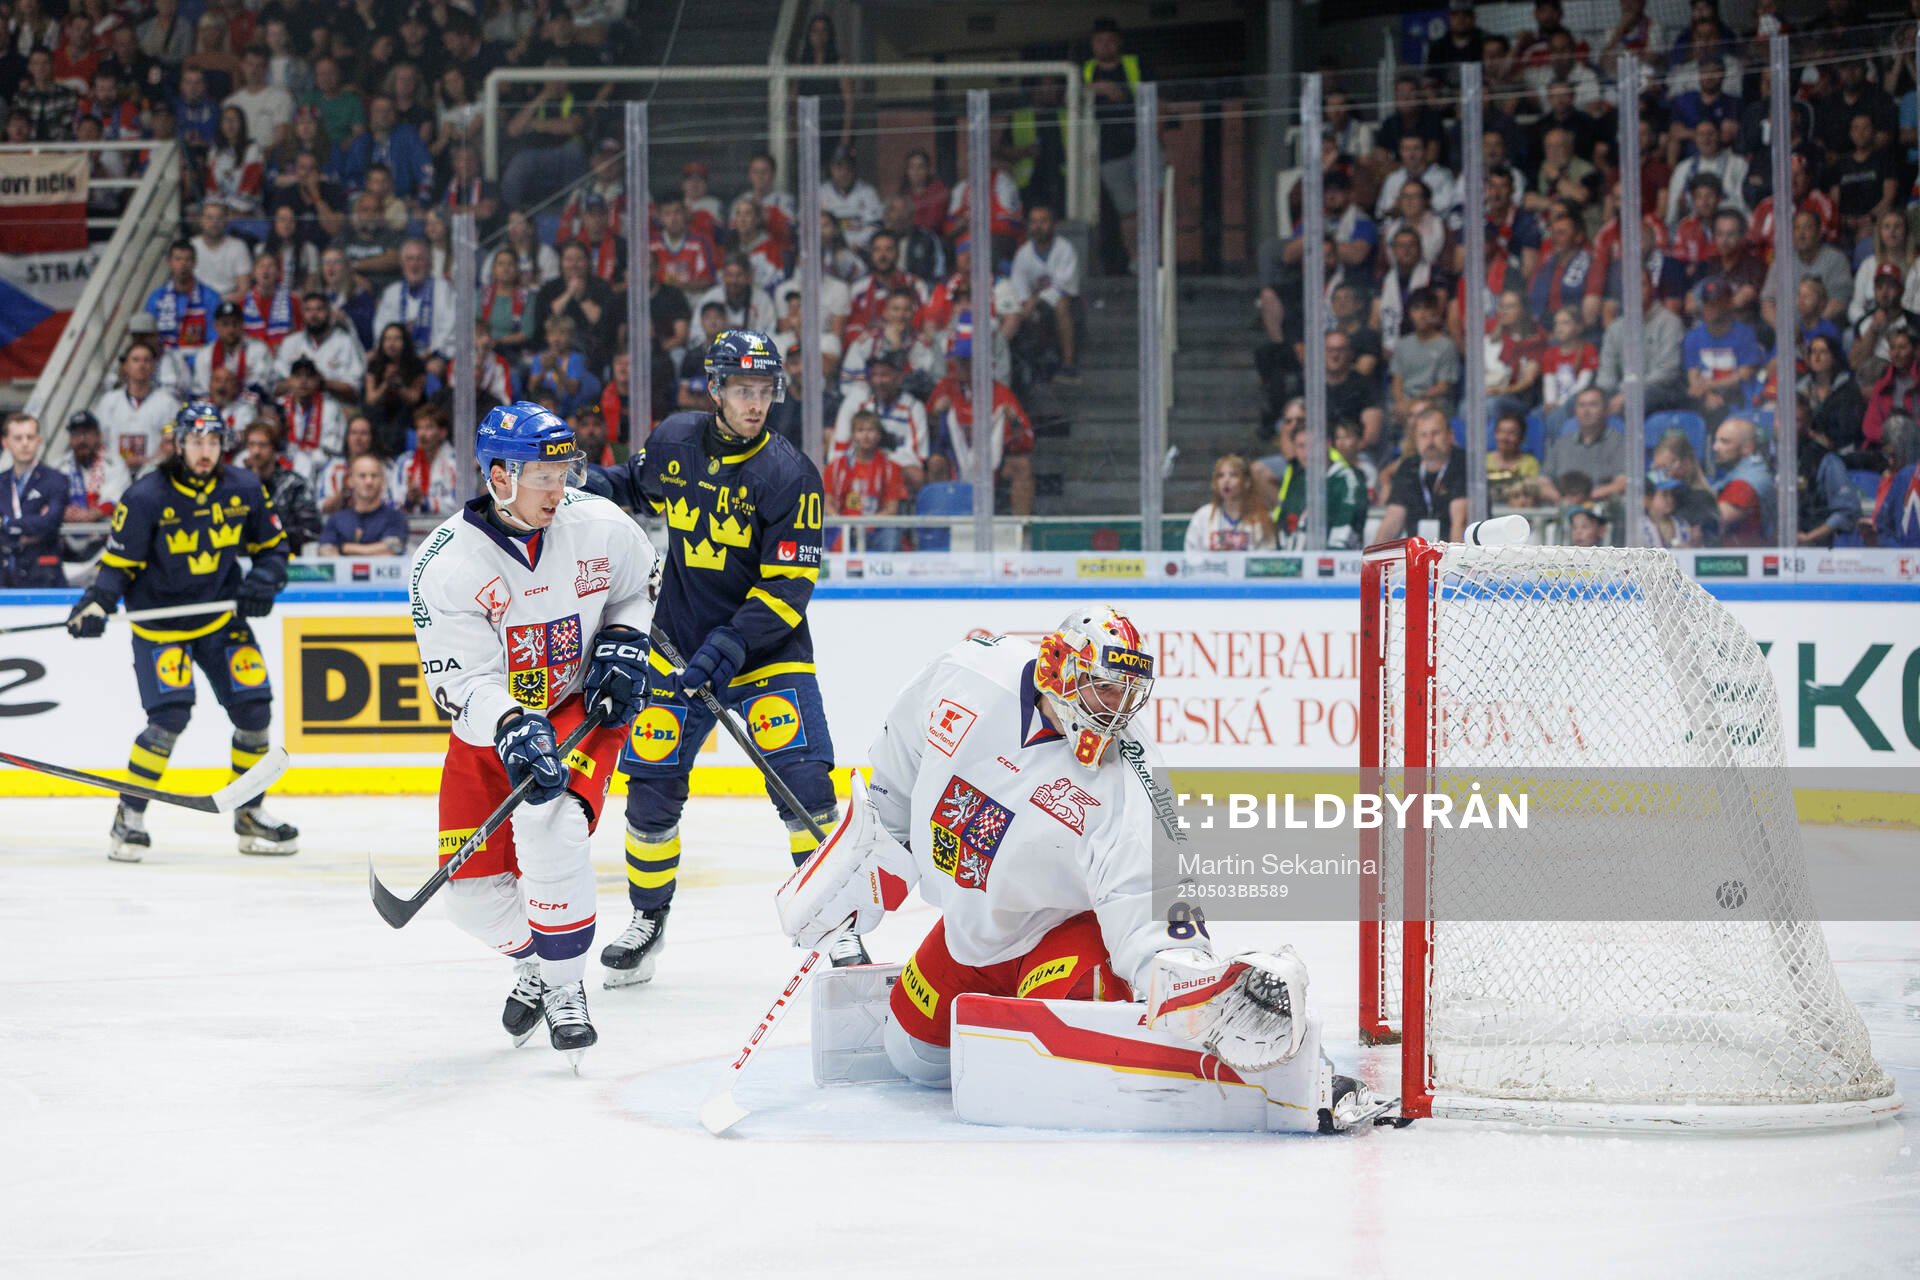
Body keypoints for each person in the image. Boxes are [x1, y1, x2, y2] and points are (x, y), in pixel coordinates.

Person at [776, 607, 1372, 1124]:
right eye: (1104, 688)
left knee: (1049, 1060)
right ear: (1059, 669)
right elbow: (897, 772)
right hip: (977, 932)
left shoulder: (1132, 775)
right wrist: (868, 863)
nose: (1118, 709)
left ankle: (1124, 1019)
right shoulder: (967, 672)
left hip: (1068, 931)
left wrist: (1187, 977)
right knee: (913, 1057)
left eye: (1128, 693)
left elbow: (1153, 894)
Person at [590, 331, 854, 987]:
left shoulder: (790, 475)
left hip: (764, 654)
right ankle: (648, 921)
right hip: (678, 650)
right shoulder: (677, 439)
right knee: (650, 791)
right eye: (742, 390)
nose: (754, 403)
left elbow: (789, 589)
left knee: (806, 787)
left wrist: (729, 646)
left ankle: (832, 924)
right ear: (715, 391)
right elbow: (632, 485)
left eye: (763, 391)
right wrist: (585, 484)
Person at [408, 401, 659, 1063]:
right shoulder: (444, 565)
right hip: (494, 726)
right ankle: (540, 969)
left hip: (580, 704)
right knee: (470, 898)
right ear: (497, 476)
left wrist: (627, 642)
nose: (559, 486)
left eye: (562, 470)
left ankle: (567, 991)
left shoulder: (600, 525)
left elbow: (640, 585)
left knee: (554, 827)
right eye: (541, 475)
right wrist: (512, 725)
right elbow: (461, 681)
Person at [65, 403, 294, 861]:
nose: (205, 451)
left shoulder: (245, 487)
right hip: (159, 625)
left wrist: (264, 581)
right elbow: (117, 567)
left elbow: (274, 550)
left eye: (213, 442)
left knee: (254, 711)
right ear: (179, 444)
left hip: (220, 620)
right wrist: (95, 604)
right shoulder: (146, 496)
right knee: (169, 718)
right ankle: (128, 817)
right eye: (196, 442)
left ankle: (249, 812)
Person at [1085, 18, 1142, 269]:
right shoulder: (1086, 70)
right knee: (1128, 210)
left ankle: (1157, 256)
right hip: (1107, 152)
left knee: (1154, 204)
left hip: (1142, 144)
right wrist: (1097, 88)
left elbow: (1157, 98)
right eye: (1099, 41)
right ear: (1092, 44)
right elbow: (1067, 94)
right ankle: (1137, 260)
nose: (1105, 46)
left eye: (1110, 40)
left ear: (1118, 42)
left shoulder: (1134, 65)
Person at [1270, 414, 1367, 550]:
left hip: (1335, 565)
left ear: (1327, 444)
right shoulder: (1297, 479)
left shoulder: (1347, 479)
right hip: (1294, 566)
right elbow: (1283, 527)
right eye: (1300, 446)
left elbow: (1344, 534)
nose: (1306, 453)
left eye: (1312, 445)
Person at [1374, 406, 1467, 543]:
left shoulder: (1462, 463)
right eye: (1423, 435)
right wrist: (1372, 561)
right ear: (1415, 440)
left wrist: (1455, 563)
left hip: (1453, 551)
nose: (1430, 440)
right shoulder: (1409, 466)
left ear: (1450, 435)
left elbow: (1460, 522)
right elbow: (1393, 519)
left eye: (1435, 433)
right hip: (1419, 555)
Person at [822, 409, 909, 552]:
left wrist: (866, 524)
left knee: (891, 535)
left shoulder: (890, 468)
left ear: (879, 435)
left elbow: (891, 509)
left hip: (876, 528)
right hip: (844, 527)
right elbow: (827, 502)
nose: (866, 436)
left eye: (871, 430)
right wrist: (843, 523)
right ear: (853, 435)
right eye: (860, 430)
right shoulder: (836, 467)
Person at [94, 339, 185, 474]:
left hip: (155, 474)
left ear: (154, 366)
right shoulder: (108, 402)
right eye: (135, 360)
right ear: (125, 366)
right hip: (114, 477)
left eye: (146, 360)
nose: (141, 365)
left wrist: (149, 460)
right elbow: (98, 442)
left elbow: (175, 444)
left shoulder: (168, 403)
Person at [0, 412, 69, 588]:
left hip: (45, 576)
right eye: (18, 438)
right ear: (5, 442)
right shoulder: (1, 481)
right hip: (5, 574)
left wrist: (6, 523)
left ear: (38, 440)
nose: (25, 443)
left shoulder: (56, 480)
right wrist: (31, 525)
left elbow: (50, 522)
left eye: (30, 437)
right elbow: (40, 522)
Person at [237, 419, 321, 554]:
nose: (256, 451)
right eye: (252, 444)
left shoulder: (294, 484)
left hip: (286, 558)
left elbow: (311, 529)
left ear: (274, 448)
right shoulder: (238, 485)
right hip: (245, 559)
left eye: (262, 445)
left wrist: (269, 534)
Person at [274, 290, 365, 405]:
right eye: (308, 310)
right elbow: (275, 388)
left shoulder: (345, 342)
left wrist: (322, 383)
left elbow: (354, 391)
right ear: (302, 314)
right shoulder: (290, 342)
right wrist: (301, 382)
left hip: (336, 407)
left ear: (329, 313)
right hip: (294, 408)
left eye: (319, 309)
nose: (313, 315)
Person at [1538, 388, 1627, 504]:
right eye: (1581, 405)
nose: (1586, 410)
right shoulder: (1561, 444)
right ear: (1575, 411)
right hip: (1563, 508)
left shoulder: (1620, 443)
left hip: (1603, 511)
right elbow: (1543, 481)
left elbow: (1623, 483)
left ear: (1606, 410)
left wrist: (1585, 498)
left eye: (1593, 405)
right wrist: (1562, 500)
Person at [316, 454, 408, 556]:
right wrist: (374, 550)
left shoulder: (395, 517)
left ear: (383, 480)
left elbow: (392, 549)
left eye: (374, 476)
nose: (369, 481)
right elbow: (325, 551)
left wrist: (344, 548)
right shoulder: (336, 519)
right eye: (362, 476)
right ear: (350, 481)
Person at [1185, 454, 1275, 552]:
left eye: (1233, 475)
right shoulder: (1202, 516)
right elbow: (1191, 556)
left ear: (1246, 482)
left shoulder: (1261, 519)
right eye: (1221, 476)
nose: (1226, 480)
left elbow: (1266, 558)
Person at [145, 239, 223, 352]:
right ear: (169, 262)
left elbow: (215, 338)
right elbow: (148, 335)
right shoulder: (156, 298)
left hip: (198, 357)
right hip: (163, 358)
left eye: (188, 259)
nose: (183, 264)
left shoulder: (210, 297)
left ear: (195, 263)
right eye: (178, 259)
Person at [1709, 417, 1774, 546]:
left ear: (1747, 448)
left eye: (1725, 442)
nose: (1715, 447)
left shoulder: (1744, 484)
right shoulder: (1739, 475)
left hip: (1744, 560)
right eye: (1716, 441)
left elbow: (1712, 521)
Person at [193, 301, 273, 398]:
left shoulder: (258, 349)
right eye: (225, 324)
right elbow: (203, 389)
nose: (231, 329)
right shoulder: (204, 354)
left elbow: (260, 386)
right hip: (214, 405)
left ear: (242, 324)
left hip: (249, 404)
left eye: (235, 323)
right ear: (216, 326)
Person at [394, 402, 458, 516]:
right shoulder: (404, 462)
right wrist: (408, 499)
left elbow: (459, 505)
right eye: (419, 428)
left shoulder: (455, 462)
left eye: (428, 427)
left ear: (442, 433)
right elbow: (393, 503)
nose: (422, 434)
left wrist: (424, 501)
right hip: (411, 529)